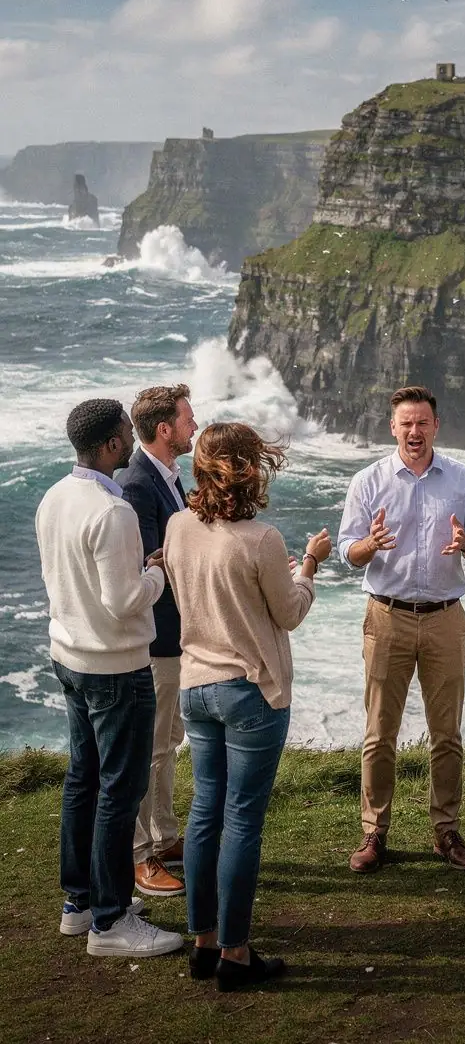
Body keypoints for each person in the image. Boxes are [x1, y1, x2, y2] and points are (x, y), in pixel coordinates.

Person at [162, 422, 331, 991]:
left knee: (205, 811)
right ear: (250, 468)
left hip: (196, 685)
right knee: (241, 820)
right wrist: (308, 566)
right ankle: (237, 954)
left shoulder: (179, 526)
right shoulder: (262, 538)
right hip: (250, 690)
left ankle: (203, 944)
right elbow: (288, 614)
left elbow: (202, 586)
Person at [35, 398, 184, 959]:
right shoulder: (113, 510)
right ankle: (111, 920)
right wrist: (156, 573)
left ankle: (79, 903)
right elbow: (123, 602)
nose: (129, 436)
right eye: (125, 431)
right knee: (120, 791)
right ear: (112, 445)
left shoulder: (56, 497)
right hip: (116, 666)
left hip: (69, 656)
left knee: (83, 781)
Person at [338, 384, 465, 875]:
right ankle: (373, 833)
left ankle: (446, 830)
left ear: (435, 427)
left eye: (422, 422)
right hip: (387, 616)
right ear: (393, 428)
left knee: (446, 733)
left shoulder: (463, 480)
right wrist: (370, 544)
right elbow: (346, 552)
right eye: (406, 423)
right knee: (379, 734)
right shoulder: (368, 481)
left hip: (446, 617)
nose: (414, 431)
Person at [118, 383, 197, 900]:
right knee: (150, 749)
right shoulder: (139, 484)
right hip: (156, 639)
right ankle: (141, 855)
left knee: (167, 744)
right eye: (188, 419)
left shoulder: (166, 476)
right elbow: (151, 559)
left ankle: (164, 837)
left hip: (173, 636)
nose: (195, 426)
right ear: (164, 429)